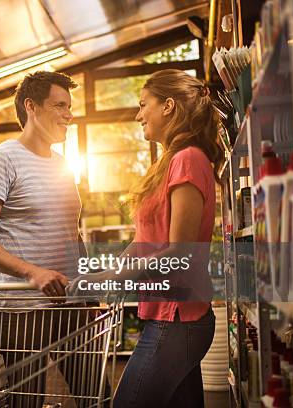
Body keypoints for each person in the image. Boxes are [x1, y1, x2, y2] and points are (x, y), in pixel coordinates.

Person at [67, 69, 225, 407]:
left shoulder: (188, 159)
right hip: (167, 315)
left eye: (143, 105)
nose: (138, 115)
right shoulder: (168, 163)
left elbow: (179, 253)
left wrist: (109, 277)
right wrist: (103, 276)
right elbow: (143, 241)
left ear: (168, 105)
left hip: (178, 317)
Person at [0, 71, 96, 407]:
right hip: (22, 309)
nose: (69, 114)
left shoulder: (62, 164)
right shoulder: (0, 160)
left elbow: (71, 231)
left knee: (95, 394)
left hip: (70, 303)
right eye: (60, 105)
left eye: (70, 107)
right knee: (28, 400)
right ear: (31, 107)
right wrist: (32, 273)